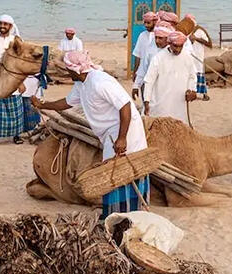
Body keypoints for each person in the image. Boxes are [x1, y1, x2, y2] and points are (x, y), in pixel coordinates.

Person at [33, 50, 149, 218]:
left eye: (68, 68)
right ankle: (114, 211)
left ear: (76, 69)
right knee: (113, 170)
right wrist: (43, 105)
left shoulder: (99, 82)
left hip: (125, 129)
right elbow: (66, 103)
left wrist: (122, 138)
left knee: (120, 171)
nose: (66, 71)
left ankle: (128, 212)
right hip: (110, 132)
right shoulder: (82, 83)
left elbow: (125, 106)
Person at [0, 14, 24, 145]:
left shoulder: (16, 42)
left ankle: (16, 136)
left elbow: (21, 64)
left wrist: (21, 82)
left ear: (11, 26)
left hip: (13, 81)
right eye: (1, 23)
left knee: (15, 111)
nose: (2, 26)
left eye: (5, 24)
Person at [143, 31, 198, 124]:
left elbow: (192, 76)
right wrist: (147, 102)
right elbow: (149, 81)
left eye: (181, 46)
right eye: (175, 46)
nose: (178, 49)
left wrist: (191, 90)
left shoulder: (187, 57)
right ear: (169, 44)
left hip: (179, 103)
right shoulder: (158, 58)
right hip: (161, 104)